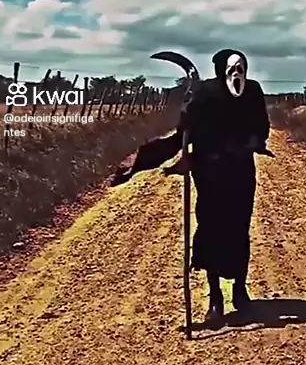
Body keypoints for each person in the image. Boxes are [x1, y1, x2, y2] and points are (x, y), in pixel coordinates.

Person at [111, 48, 271, 326]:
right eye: (232, 69)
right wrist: (188, 110)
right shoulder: (205, 92)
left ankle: (239, 290)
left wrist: (251, 142)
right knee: (210, 228)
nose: (237, 74)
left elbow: (261, 127)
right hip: (209, 172)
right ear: (220, 70)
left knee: (239, 228)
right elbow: (188, 130)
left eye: (241, 69)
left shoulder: (253, 91)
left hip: (240, 170)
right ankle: (215, 298)